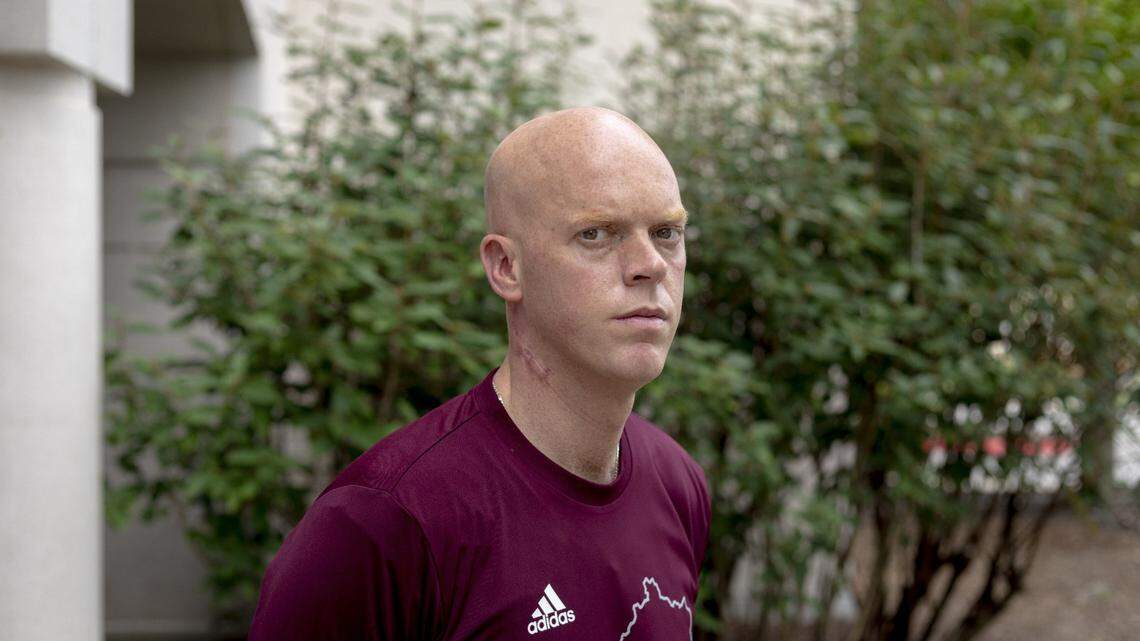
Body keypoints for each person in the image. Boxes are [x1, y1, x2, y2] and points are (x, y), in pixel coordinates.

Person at [247, 106, 711, 640]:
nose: (649, 264)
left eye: (667, 232)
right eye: (597, 234)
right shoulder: (387, 522)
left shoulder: (677, 484)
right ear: (505, 267)